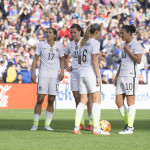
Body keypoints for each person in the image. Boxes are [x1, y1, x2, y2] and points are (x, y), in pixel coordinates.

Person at [73, 23, 110, 135]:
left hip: (82, 74)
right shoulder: (95, 43)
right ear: (97, 32)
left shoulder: (82, 42)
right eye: (100, 32)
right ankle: (96, 128)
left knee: (82, 101)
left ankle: (76, 128)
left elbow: (79, 60)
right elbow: (94, 60)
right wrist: (98, 77)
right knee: (96, 100)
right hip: (91, 74)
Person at [30, 27, 64, 131]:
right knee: (40, 99)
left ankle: (47, 125)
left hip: (54, 76)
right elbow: (35, 58)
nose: (47, 34)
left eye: (50, 32)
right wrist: (33, 72)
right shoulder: (41, 45)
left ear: (54, 35)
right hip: (43, 74)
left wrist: (62, 71)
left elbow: (62, 59)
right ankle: (35, 124)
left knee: (51, 100)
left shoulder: (59, 45)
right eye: (46, 32)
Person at [114, 24, 143, 134]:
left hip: (131, 75)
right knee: (118, 101)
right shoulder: (123, 45)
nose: (121, 35)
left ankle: (129, 127)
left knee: (130, 100)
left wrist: (128, 50)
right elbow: (122, 61)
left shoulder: (136, 45)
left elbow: (138, 60)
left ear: (129, 33)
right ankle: (128, 124)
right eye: (120, 33)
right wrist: (117, 75)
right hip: (122, 75)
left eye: (123, 33)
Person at [64, 24, 93, 131]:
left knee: (88, 99)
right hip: (74, 73)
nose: (72, 34)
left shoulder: (85, 42)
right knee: (77, 99)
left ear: (80, 32)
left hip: (85, 72)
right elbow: (64, 56)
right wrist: (67, 66)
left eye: (74, 32)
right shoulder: (70, 44)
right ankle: (81, 123)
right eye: (71, 32)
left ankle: (91, 122)